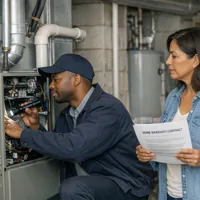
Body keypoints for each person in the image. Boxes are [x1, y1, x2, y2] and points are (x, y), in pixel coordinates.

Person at [4, 54, 155, 200]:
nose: (50, 86)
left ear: (76, 79)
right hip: (91, 185)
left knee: (72, 188)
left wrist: (22, 134)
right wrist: (35, 128)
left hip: (125, 185)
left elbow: (74, 148)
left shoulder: (107, 109)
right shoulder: (67, 115)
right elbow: (59, 149)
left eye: (56, 80)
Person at [136, 27, 200, 200]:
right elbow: (168, 147)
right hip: (169, 193)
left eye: (174, 55)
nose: (167, 62)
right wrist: (149, 152)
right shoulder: (173, 97)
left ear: (195, 60)